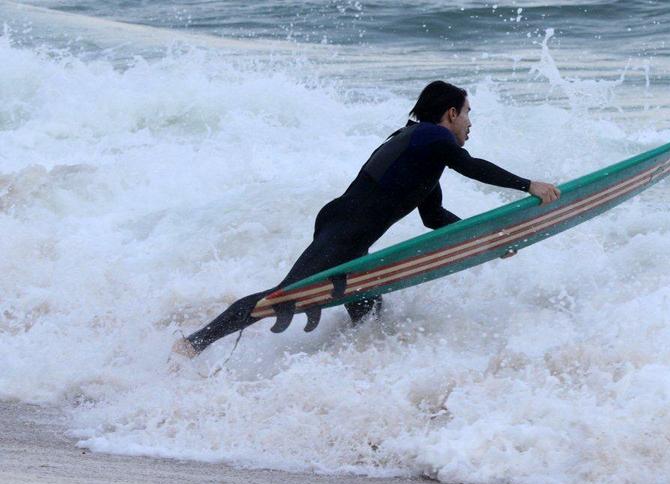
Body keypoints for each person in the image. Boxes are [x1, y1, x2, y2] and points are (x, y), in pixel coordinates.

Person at [173, 81, 560, 358]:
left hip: (348, 229)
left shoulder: (421, 152)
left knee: (368, 309)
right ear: (451, 113)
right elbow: (472, 167)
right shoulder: (431, 137)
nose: (470, 123)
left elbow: (434, 217)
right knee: (284, 295)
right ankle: (194, 344)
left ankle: (350, 373)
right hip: (344, 227)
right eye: (468, 114)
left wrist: (488, 243)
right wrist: (528, 185)